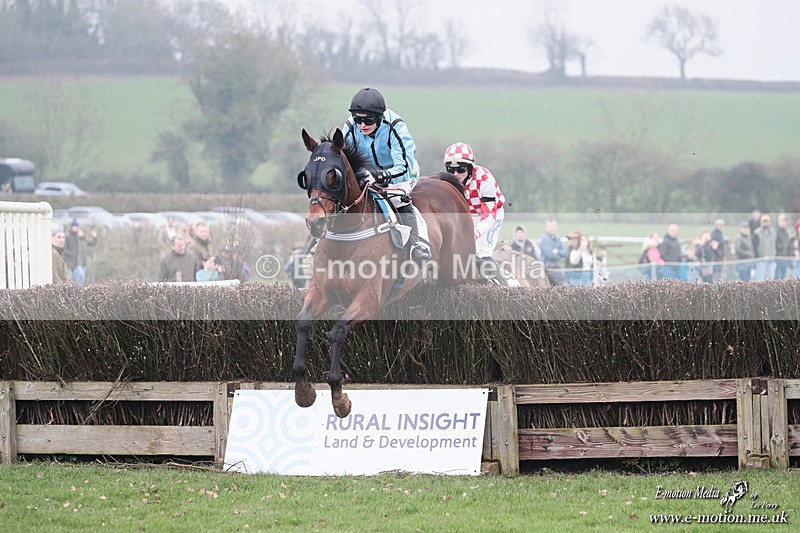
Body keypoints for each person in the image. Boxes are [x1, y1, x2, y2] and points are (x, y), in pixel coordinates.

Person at [343, 87, 429, 263]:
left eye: (368, 119)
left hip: (402, 171)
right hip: (366, 172)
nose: (362, 125)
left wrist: (380, 176)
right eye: (358, 119)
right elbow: (344, 157)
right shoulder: (351, 127)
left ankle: (415, 245)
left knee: (397, 197)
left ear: (380, 117)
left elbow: (404, 166)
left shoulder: (395, 126)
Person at [442, 142, 510, 285]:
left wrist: (475, 233)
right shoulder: (445, 181)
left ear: (470, 167)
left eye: (460, 169)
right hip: (467, 216)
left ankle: (503, 289)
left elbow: (488, 217)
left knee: (481, 252)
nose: (455, 175)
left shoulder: (485, 179)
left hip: (491, 215)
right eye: (451, 169)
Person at [63, 219, 97, 285]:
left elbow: (92, 243)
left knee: (79, 277)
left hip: (79, 262)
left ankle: (77, 290)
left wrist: (95, 237)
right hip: (69, 261)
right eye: (75, 227)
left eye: (77, 227)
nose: (76, 228)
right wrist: (69, 254)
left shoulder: (82, 239)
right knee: (70, 278)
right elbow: (63, 248)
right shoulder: (68, 236)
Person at [753, 214, 777, 280]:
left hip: (771, 259)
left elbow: (776, 245)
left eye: (768, 221)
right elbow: (754, 247)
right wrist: (757, 257)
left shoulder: (774, 233)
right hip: (761, 260)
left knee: (770, 280)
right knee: (760, 280)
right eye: (764, 221)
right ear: (761, 222)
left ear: (770, 222)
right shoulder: (756, 233)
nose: (766, 223)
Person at [774, 214, 792, 279]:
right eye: (783, 220)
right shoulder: (775, 232)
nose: (785, 222)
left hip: (785, 259)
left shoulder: (786, 233)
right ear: (779, 221)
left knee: (783, 278)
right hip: (778, 259)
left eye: (785, 221)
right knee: (776, 278)